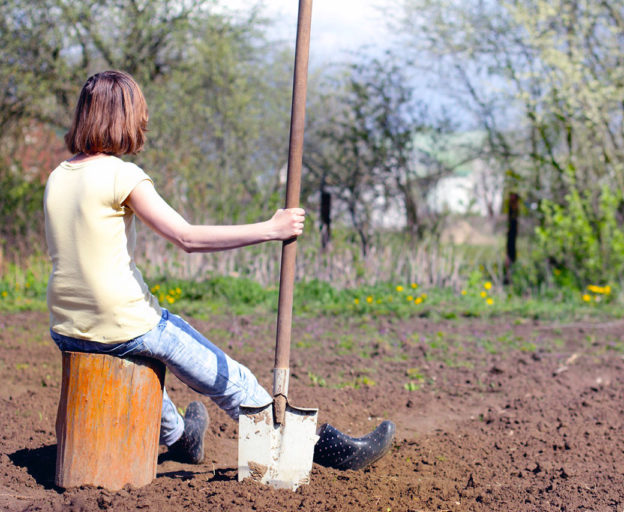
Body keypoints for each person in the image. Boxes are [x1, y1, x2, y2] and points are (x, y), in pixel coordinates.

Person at [44, 70, 394, 470]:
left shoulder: (59, 176)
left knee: (142, 368)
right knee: (235, 382)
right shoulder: (122, 175)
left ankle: (180, 437)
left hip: (67, 325)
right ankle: (308, 450)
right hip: (124, 321)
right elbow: (187, 238)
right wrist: (270, 229)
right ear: (124, 118)